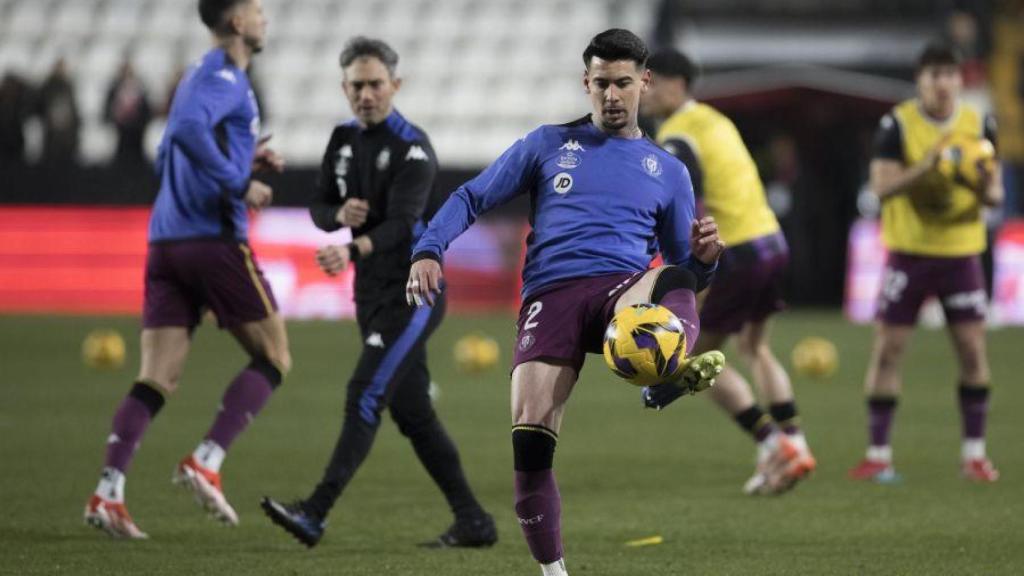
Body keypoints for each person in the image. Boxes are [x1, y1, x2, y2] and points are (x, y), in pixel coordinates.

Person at [406, 29, 726, 576]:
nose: (611, 95)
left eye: (623, 83)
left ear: (644, 83)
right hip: (550, 298)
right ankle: (554, 572)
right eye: (601, 83)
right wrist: (429, 248)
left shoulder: (669, 171)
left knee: (671, 276)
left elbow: (685, 273)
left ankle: (665, 369)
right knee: (530, 443)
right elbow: (471, 195)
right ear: (586, 83)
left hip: (622, 293)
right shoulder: (547, 144)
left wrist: (707, 258)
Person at [260, 37, 496, 549]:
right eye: (357, 85)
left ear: (395, 85)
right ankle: (474, 522)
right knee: (413, 414)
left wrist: (351, 249)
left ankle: (315, 512)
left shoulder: (413, 148)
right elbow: (319, 206)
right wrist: (337, 218)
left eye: (375, 84)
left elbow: (407, 224)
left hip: (415, 292)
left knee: (364, 395)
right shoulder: (342, 140)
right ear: (344, 88)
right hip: (370, 296)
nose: (366, 94)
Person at [84, 0, 289, 539]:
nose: (264, 17)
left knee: (157, 376)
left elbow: (179, 148)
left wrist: (243, 162)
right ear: (238, 21)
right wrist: (240, 182)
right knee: (274, 355)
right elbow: (186, 131)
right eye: (258, 10)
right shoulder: (223, 76)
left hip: (166, 242)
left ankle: (108, 492)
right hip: (213, 240)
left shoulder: (203, 75)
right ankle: (206, 459)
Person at [640, 49, 816, 495]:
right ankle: (795, 442)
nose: (643, 91)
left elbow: (687, 207)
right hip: (772, 243)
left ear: (676, 84)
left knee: (687, 357)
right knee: (756, 347)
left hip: (735, 251)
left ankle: (772, 443)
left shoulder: (679, 136)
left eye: (650, 81)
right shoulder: (716, 120)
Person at [849, 42, 1002, 483]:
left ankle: (974, 456)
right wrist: (931, 165)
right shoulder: (896, 124)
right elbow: (880, 188)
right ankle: (879, 457)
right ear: (920, 81)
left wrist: (972, 181)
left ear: (960, 80)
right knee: (889, 350)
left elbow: (996, 196)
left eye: (949, 74)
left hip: (960, 254)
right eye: (933, 75)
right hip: (910, 253)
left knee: (973, 350)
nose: (942, 84)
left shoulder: (978, 122)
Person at [104, 56, 153, 169]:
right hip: (120, 129)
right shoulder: (115, 87)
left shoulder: (139, 87)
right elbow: (108, 108)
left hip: (136, 130)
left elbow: (146, 108)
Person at [36, 57, 80, 166]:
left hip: (66, 135)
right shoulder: (48, 87)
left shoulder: (68, 86)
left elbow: (73, 110)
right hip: (53, 134)